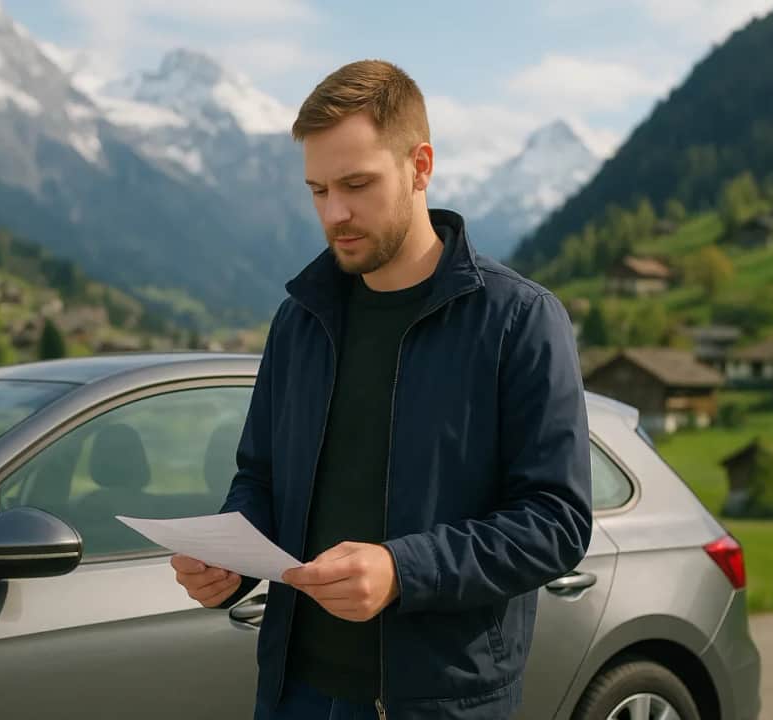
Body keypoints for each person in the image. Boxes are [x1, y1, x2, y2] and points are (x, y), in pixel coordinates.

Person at [171, 59, 592, 720]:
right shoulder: (300, 319)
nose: (335, 213)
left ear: (420, 165)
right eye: (318, 190)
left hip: (439, 704)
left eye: (357, 184)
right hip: (293, 692)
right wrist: (229, 561)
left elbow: (555, 521)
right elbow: (259, 478)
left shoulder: (519, 321)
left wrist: (404, 569)